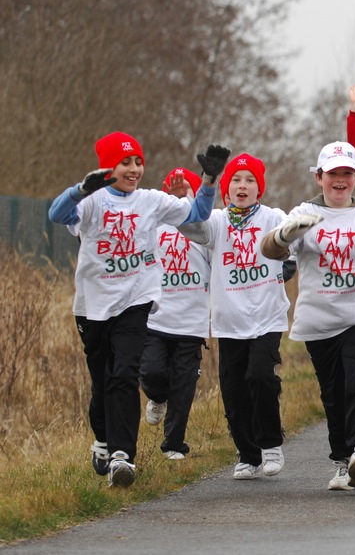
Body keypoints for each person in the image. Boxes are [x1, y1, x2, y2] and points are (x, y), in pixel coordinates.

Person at [48, 132, 227, 487]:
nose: (133, 169)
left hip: (136, 299)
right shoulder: (93, 201)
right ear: (108, 166)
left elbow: (198, 213)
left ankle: (122, 457)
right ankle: (102, 438)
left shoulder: (151, 201)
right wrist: (80, 189)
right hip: (93, 305)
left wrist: (208, 181)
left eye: (138, 162)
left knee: (125, 373)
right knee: (102, 380)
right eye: (125, 162)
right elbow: (57, 214)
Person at [260, 141, 355, 491]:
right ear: (320, 177)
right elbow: (271, 250)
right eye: (333, 173)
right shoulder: (304, 211)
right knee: (333, 392)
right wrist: (285, 234)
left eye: (347, 174)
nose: (340, 180)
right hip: (319, 319)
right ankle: (342, 462)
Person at [179, 152, 292, 479]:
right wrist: (207, 182)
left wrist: (290, 250)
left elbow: (291, 235)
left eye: (250, 180)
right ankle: (248, 454)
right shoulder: (216, 222)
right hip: (229, 321)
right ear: (227, 190)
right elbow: (189, 225)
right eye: (236, 181)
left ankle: (270, 444)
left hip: (267, 316)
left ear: (260, 188)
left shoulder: (272, 217)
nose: (243, 186)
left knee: (260, 376)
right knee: (233, 388)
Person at [141, 168, 211, 463]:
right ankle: (157, 397)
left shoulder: (205, 230)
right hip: (156, 319)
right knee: (152, 373)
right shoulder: (152, 225)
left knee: (183, 387)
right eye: (174, 188)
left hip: (191, 324)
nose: (180, 193)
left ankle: (174, 444)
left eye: (187, 189)